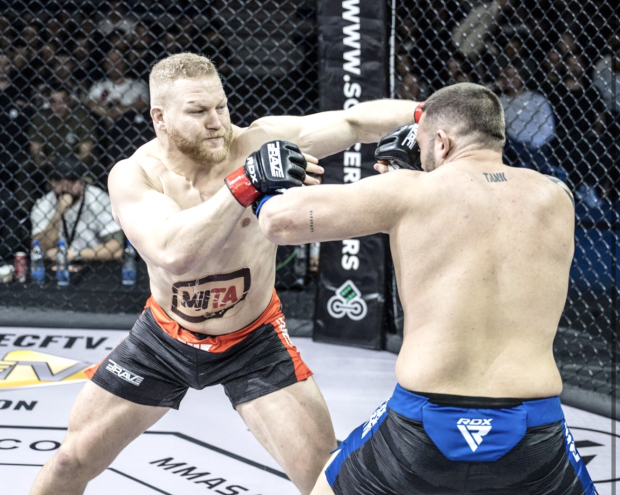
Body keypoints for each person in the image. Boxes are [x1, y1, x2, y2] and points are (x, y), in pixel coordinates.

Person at [29, 52, 423, 495]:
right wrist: (245, 182)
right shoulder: (135, 175)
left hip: (254, 340)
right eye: (198, 111)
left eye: (221, 106)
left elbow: (353, 123)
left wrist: (428, 117)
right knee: (70, 460)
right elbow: (172, 252)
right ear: (159, 118)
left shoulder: (259, 141)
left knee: (325, 477)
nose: (216, 121)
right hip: (165, 338)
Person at [258, 82, 598, 494]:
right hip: (536, 430)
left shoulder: (408, 191)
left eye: (422, 145)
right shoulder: (557, 196)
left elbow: (278, 222)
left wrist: (258, 183)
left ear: (441, 141)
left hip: (423, 426)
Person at [30, 156, 123, 262]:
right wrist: (58, 212)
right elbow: (39, 248)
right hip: (55, 264)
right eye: (58, 180)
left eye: (71, 180)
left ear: (82, 182)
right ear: (51, 182)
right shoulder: (43, 205)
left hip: (94, 262)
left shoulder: (98, 199)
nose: (65, 187)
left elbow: (116, 248)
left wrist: (76, 254)